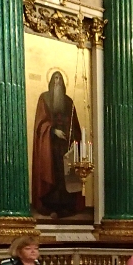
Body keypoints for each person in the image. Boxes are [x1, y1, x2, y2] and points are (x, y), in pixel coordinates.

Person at [31, 70, 82, 218]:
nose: (57, 81)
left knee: (65, 175)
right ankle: (50, 206)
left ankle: (66, 206)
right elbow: (40, 123)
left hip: (66, 146)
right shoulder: (44, 98)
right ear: (51, 81)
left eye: (60, 79)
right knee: (53, 173)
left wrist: (72, 138)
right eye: (55, 78)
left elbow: (75, 125)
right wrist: (53, 130)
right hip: (50, 146)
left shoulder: (69, 101)